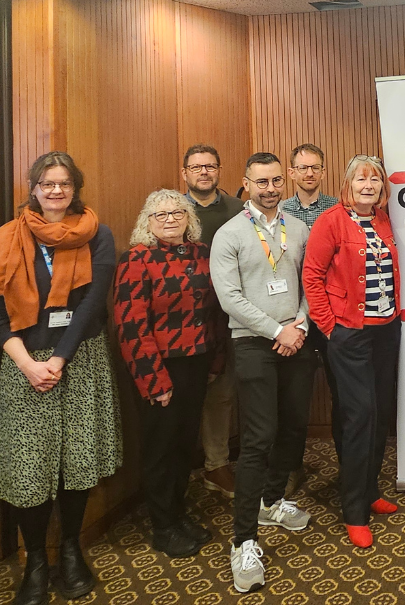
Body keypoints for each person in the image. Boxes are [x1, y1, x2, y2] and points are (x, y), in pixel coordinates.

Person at [0, 151, 122, 605]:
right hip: (23, 362)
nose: (56, 191)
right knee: (28, 467)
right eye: (47, 183)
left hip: (81, 358)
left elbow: (93, 304)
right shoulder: (5, 237)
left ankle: (72, 548)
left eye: (64, 183)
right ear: (33, 188)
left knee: (78, 462)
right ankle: (37, 560)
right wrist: (26, 363)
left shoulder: (98, 234)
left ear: (76, 188)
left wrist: (59, 358)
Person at [212, 153, 317, 593]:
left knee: (294, 427)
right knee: (259, 438)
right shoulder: (230, 234)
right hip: (254, 343)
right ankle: (244, 541)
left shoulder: (299, 227)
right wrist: (278, 329)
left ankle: (273, 500)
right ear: (246, 183)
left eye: (276, 180)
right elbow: (229, 298)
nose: (270, 188)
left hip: (298, 336)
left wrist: (301, 324)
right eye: (261, 181)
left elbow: (314, 280)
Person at [303, 154, 402, 549]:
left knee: (379, 413)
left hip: (386, 331)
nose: (368, 186)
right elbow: (311, 275)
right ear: (348, 184)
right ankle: (354, 510)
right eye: (361, 180)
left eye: (375, 180)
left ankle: (371, 489)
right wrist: (330, 327)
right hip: (350, 334)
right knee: (359, 416)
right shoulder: (331, 220)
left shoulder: (383, 219)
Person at [113, 190, 218, 559]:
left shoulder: (201, 253)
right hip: (159, 366)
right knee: (160, 448)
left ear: (189, 217)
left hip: (197, 361)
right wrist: (153, 380)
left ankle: (178, 513)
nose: (170, 219)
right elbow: (131, 325)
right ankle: (163, 526)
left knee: (184, 445)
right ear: (148, 221)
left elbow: (211, 312)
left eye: (177, 212)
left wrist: (213, 362)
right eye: (161, 215)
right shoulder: (137, 259)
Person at [184, 144, 245, 501]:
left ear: (220, 170)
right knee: (202, 391)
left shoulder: (239, 209)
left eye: (210, 166)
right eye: (196, 167)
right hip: (191, 317)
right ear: (185, 174)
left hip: (237, 312)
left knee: (228, 391)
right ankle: (210, 463)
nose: (203, 172)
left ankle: (221, 462)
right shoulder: (173, 211)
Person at [280, 143, 344, 478]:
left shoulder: (339, 208)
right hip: (293, 318)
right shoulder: (278, 212)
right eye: (302, 168)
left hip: (333, 315)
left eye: (315, 167)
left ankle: (348, 469)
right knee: (293, 400)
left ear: (323, 171)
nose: (309, 173)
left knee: (342, 394)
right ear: (291, 173)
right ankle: (289, 471)